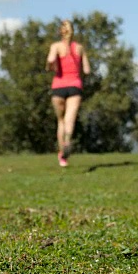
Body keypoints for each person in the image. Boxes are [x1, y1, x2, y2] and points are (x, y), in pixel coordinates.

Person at [46, 19, 91, 167]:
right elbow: (87, 70)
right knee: (70, 120)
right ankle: (67, 141)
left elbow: (51, 60)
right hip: (75, 86)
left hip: (58, 86)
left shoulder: (56, 46)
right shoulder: (80, 48)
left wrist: (51, 65)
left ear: (60, 31)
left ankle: (62, 156)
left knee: (61, 121)